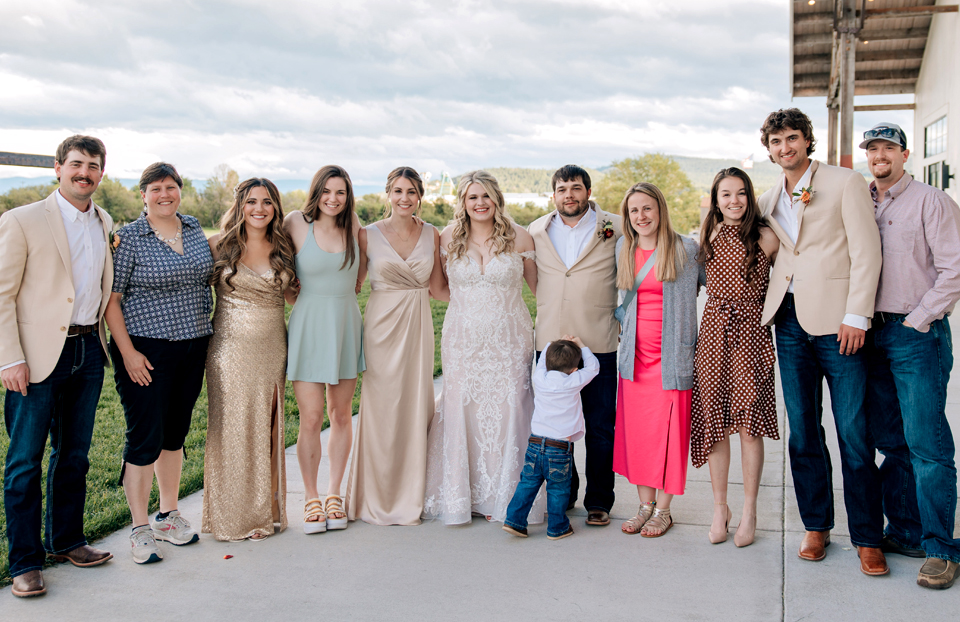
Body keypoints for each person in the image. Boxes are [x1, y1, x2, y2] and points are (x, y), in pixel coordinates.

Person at [757, 108, 886, 576]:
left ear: (807, 141)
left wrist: (858, 315)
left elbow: (866, 251)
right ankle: (816, 525)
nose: (785, 147)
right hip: (788, 323)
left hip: (839, 324)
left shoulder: (845, 182)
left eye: (792, 138)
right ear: (768, 149)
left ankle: (868, 536)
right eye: (776, 141)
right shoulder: (770, 197)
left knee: (853, 433)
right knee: (804, 432)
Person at [0, 135, 114, 597]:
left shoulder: (105, 221)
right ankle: (25, 562)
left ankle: (66, 540)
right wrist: (10, 356)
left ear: (101, 174)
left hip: (88, 352)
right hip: (36, 355)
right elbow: (2, 294)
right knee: (24, 462)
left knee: (74, 456)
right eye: (76, 164)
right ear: (58, 168)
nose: (84, 172)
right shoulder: (23, 220)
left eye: (92, 166)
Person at [859, 122, 960, 589]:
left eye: (888, 148)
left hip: (915, 333)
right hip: (871, 335)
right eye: (873, 148)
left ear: (905, 154)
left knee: (927, 444)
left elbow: (954, 271)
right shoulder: (864, 202)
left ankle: (941, 548)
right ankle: (905, 532)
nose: (879, 155)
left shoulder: (932, 201)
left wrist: (918, 320)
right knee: (892, 441)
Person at [106, 162, 214, 564]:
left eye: (171, 187)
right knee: (144, 437)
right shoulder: (129, 237)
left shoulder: (193, 227)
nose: (164, 194)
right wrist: (129, 353)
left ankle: (168, 516)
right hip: (145, 351)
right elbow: (112, 301)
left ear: (180, 191)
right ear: (143, 195)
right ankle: (138, 529)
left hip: (192, 346)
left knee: (174, 435)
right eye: (156, 188)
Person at [423, 170, 543, 525]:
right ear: (463, 202)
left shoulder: (519, 237)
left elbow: (538, 291)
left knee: (511, 411)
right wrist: (470, 307)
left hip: (509, 340)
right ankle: (466, 496)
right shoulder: (447, 237)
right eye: (473, 197)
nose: (480, 203)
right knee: (465, 408)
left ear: (497, 198)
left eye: (486, 196)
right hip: (463, 341)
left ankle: (507, 498)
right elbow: (439, 290)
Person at [345, 166, 445, 525]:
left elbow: (439, 289)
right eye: (398, 191)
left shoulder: (432, 234)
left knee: (416, 405)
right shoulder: (366, 235)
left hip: (417, 326)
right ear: (388, 193)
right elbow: (352, 285)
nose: (405, 198)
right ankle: (376, 496)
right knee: (382, 408)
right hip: (381, 328)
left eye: (412, 192)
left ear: (420, 196)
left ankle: (413, 493)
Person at [202, 178, 297, 541]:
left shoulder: (285, 249)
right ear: (240, 205)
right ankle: (227, 516)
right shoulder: (217, 245)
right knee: (228, 429)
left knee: (267, 429)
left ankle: (263, 514)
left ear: (276, 208)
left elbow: (294, 298)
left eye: (267, 202)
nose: (260, 208)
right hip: (227, 350)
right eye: (252, 201)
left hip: (272, 347)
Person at [527, 165, 622, 527]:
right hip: (550, 343)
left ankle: (599, 500)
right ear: (553, 194)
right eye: (562, 189)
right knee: (556, 426)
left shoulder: (614, 225)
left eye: (576, 188)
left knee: (600, 425)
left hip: (598, 339)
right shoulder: (537, 229)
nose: (570, 194)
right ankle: (563, 493)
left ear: (588, 191)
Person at [692, 168, 780, 547]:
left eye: (741, 193)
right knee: (713, 421)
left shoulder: (767, 237)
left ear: (751, 196)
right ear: (715, 200)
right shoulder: (706, 235)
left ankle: (749, 511)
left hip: (751, 335)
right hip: (712, 334)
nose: (733, 201)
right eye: (725, 195)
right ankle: (719, 507)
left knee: (749, 423)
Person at [613, 182, 700, 537]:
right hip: (634, 360)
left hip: (672, 359)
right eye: (634, 210)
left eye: (647, 208)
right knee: (640, 436)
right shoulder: (623, 247)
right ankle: (644, 506)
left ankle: (663, 510)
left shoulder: (686, 249)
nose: (641, 216)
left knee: (670, 435)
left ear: (660, 209)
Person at [285, 165, 365, 533]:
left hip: (345, 325)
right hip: (308, 326)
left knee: (342, 414)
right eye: (327, 191)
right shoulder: (295, 223)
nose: (333, 199)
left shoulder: (356, 230)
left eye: (341, 192)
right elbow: (281, 271)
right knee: (312, 417)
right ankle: (311, 497)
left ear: (348, 197)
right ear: (316, 192)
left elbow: (359, 280)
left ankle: (335, 493)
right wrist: (294, 296)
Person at [503, 337, 599, 540]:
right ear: (574, 369)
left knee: (527, 484)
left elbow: (540, 365)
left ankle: (514, 520)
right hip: (559, 448)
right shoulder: (574, 381)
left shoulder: (540, 379)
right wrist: (581, 344)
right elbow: (593, 368)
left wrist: (550, 343)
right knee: (558, 489)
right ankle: (557, 527)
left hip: (535, 444)